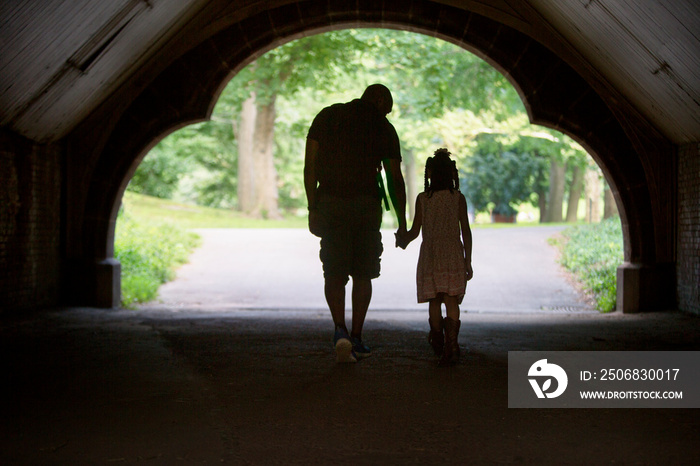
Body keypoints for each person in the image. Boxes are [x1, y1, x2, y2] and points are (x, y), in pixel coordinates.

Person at [304, 84, 407, 363]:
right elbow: (394, 178)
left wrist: (313, 207)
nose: (387, 113)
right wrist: (403, 221)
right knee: (364, 272)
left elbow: (310, 166)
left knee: (334, 270)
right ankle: (358, 338)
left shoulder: (327, 116)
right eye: (387, 107)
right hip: (366, 205)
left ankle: (340, 331)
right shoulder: (383, 128)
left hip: (330, 202)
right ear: (379, 99)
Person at [396, 148, 473, 366]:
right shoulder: (458, 198)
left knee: (435, 300)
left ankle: (437, 339)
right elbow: (465, 230)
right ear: (451, 174)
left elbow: (415, 231)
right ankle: (453, 345)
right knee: (451, 300)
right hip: (453, 254)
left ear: (429, 174)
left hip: (430, 254)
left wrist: (402, 239)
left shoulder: (423, 199)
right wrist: (467, 260)